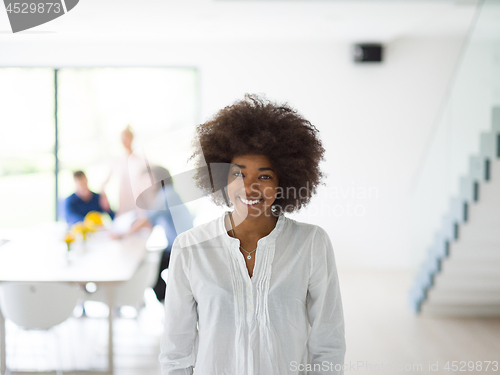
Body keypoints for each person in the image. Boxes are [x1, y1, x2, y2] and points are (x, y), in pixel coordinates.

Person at [159, 94, 346, 374]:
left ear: (285, 181)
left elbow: (328, 344)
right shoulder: (190, 248)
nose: (249, 188)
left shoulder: (311, 244)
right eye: (238, 174)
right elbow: (176, 352)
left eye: (265, 176)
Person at [120, 166, 193, 302]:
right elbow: (150, 224)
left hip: (182, 248)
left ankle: (168, 303)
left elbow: (146, 219)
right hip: (177, 246)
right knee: (153, 269)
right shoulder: (166, 194)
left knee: (152, 273)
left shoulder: (167, 194)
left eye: (150, 180)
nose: (147, 184)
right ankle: (167, 302)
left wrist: (123, 235)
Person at [102, 125, 145, 217]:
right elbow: (104, 184)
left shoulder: (140, 161)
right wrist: (104, 197)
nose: (123, 141)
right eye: (122, 139)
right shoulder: (117, 161)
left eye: (126, 138)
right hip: (123, 206)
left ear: (131, 138)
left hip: (139, 205)